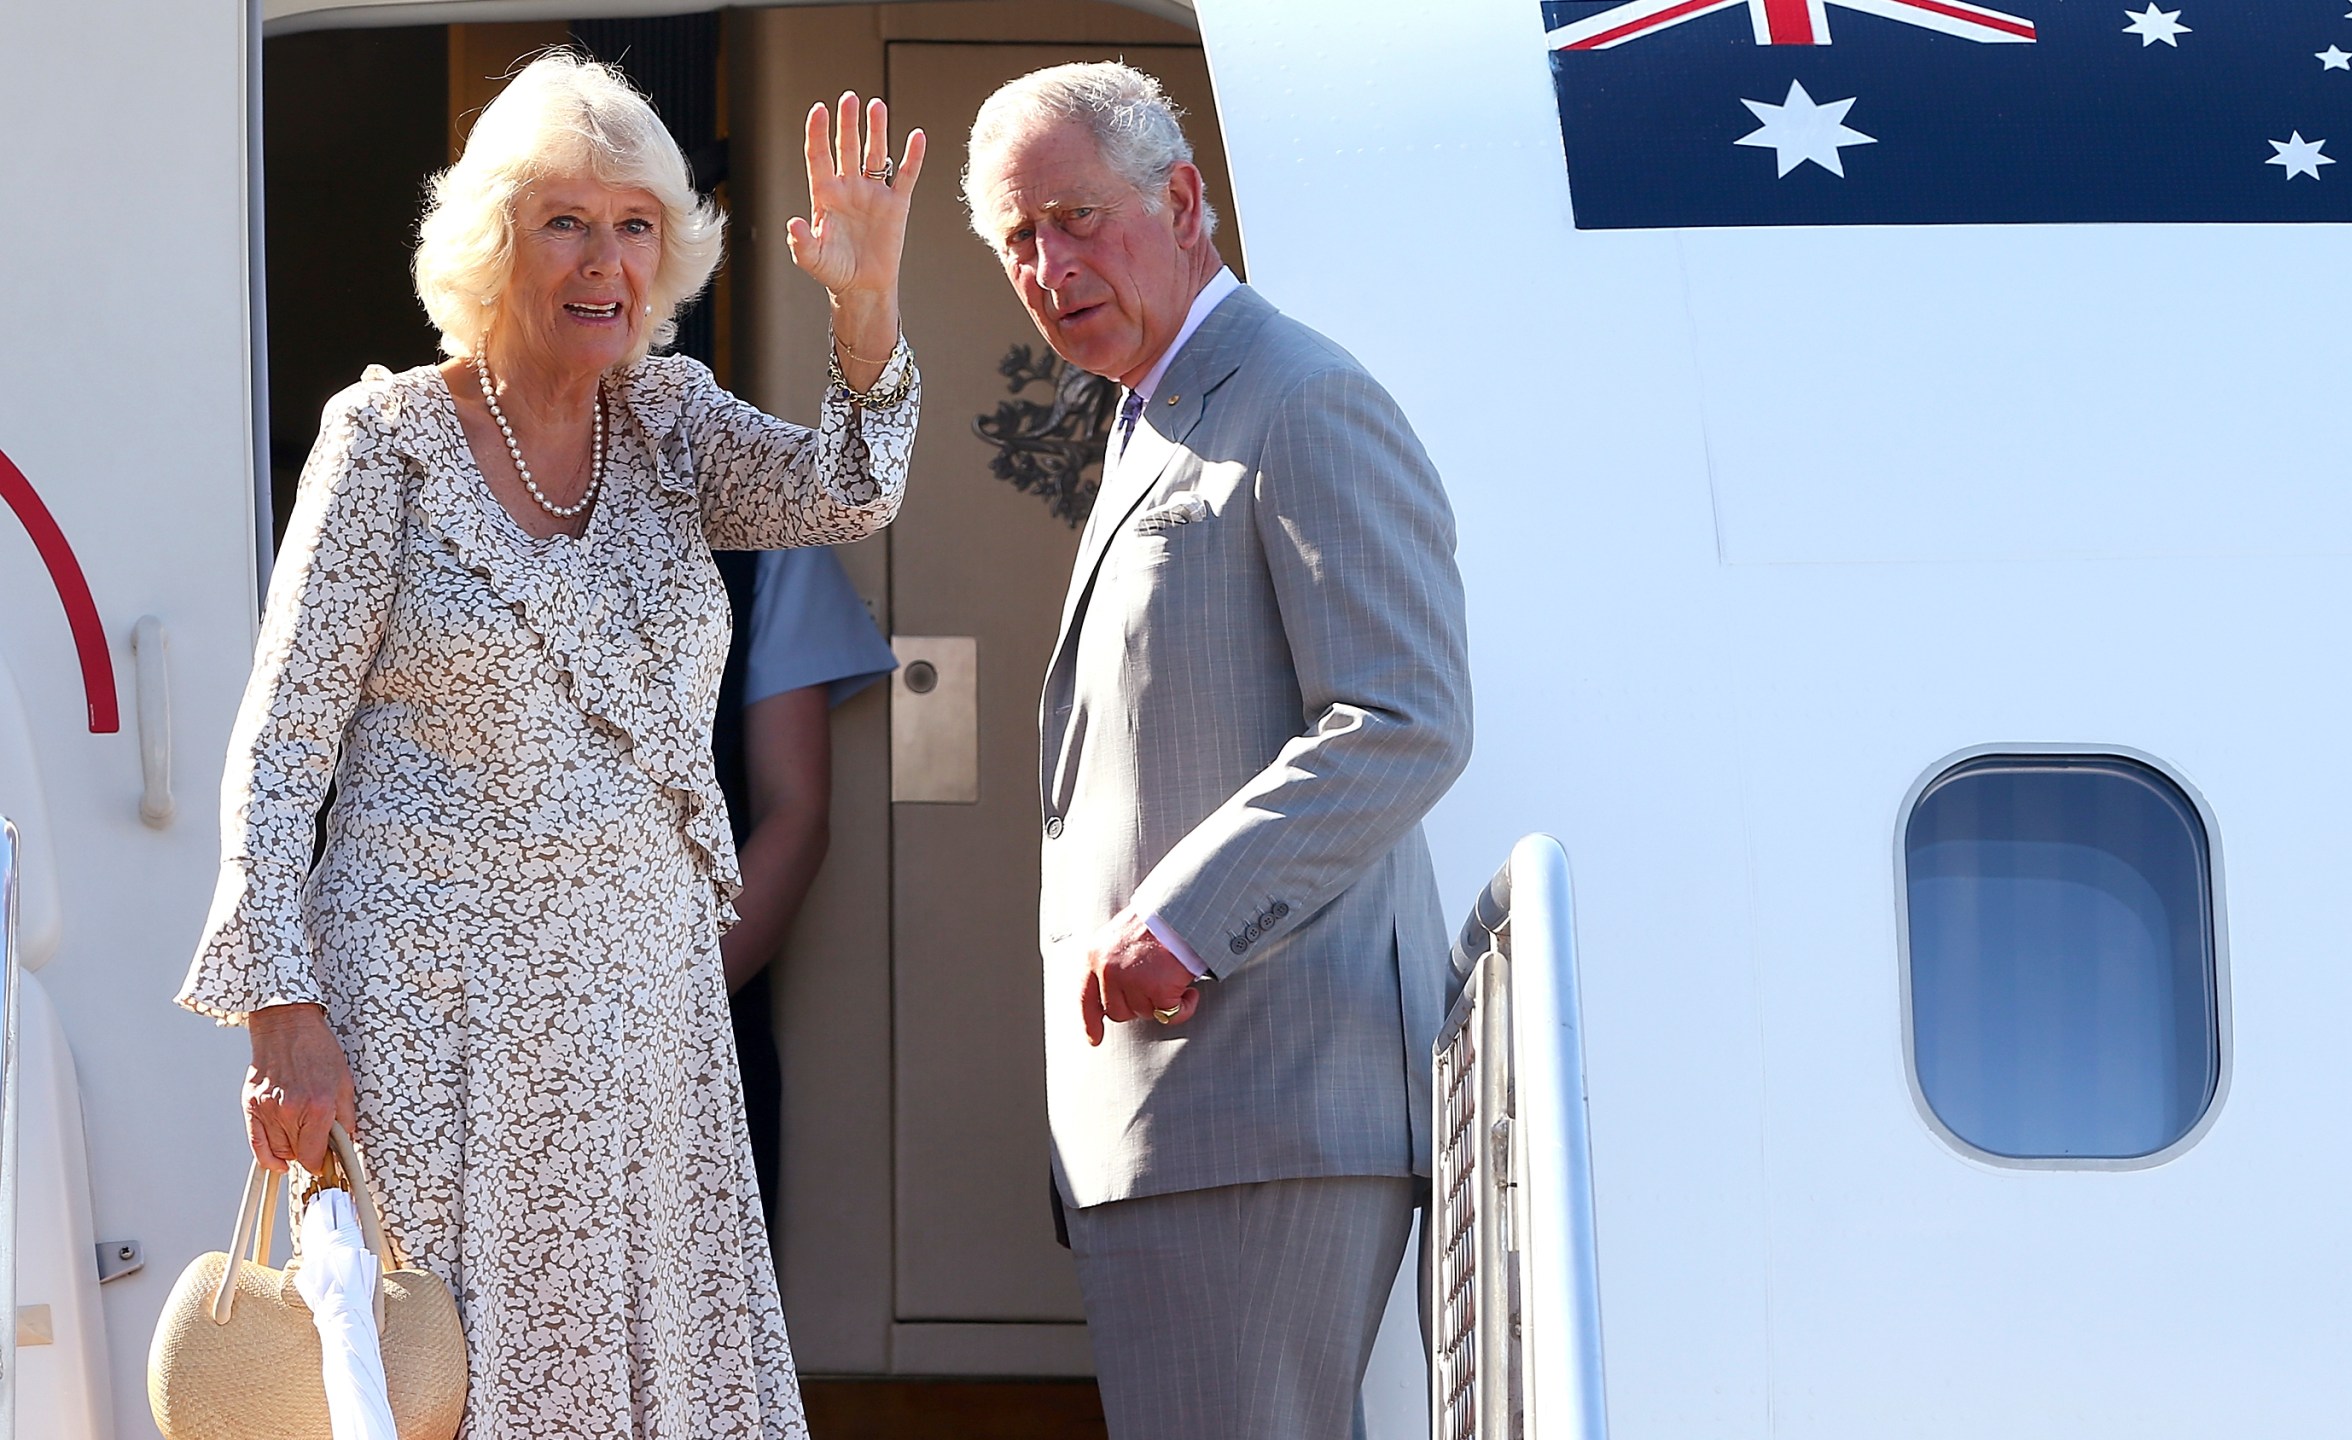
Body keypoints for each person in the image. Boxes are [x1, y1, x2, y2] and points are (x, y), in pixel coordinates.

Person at [175, 52, 925, 1440]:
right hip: (429, 1023)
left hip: (644, 1020)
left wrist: (866, 301)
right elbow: (281, 751)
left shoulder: (675, 426)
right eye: (565, 221)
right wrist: (282, 1016)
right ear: (493, 242)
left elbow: (850, 487)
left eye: (635, 225)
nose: (605, 262)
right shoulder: (384, 445)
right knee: (440, 1389)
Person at [964, 62, 1473, 1439]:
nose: (1048, 264)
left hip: (1263, 1095)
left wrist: (1183, 923)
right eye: (1018, 238)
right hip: (1188, 1116)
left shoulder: (1298, 398)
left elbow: (1406, 713)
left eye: (1078, 217)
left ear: (1182, 200)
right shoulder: (1157, 408)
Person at [710, 543, 898, 1229]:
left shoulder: (756, 508)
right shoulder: (388, 481)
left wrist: (656, 1017)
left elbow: (795, 815)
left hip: (681, 1043)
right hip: (440, 1020)